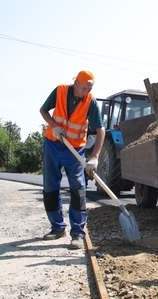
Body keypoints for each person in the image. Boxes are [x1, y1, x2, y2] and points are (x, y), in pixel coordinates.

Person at [39, 70, 106, 250]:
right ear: (76, 83)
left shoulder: (90, 101)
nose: (86, 92)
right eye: (84, 88)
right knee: (50, 188)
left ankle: (77, 233)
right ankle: (57, 227)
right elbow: (43, 110)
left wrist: (95, 158)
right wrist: (54, 126)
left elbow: (100, 130)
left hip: (74, 150)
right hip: (52, 145)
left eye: (89, 89)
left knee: (78, 189)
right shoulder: (60, 91)